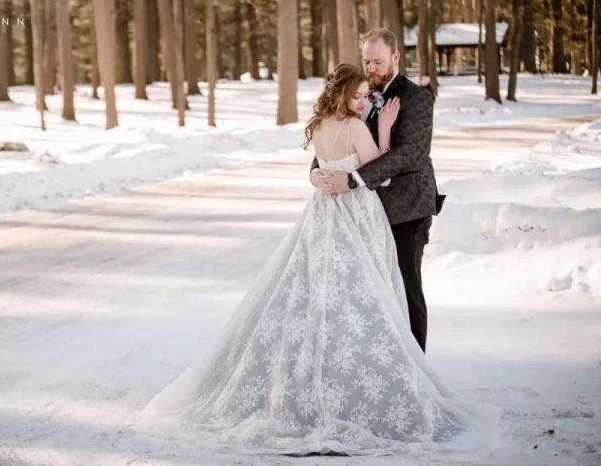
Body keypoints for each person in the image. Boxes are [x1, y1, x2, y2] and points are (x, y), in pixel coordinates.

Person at [141, 63, 477, 456]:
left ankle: (318, 373)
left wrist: (324, 173)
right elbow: (380, 175)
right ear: (341, 95)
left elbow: (321, 166)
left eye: (365, 94)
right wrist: (383, 130)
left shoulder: (318, 127)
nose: (364, 100)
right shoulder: (355, 127)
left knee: (319, 292)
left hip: (321, 214)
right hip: (355, 213)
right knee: (362, 294)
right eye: (357, 95)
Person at [311, 28, 444, 352]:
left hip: (407, 209)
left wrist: (353, 179)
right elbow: (334, 141)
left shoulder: (416, 98)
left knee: (405, 286)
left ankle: (417, 369)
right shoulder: (357, 93)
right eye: (366, 61)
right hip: (362, 212)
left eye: (378, 62)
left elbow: (408, 154)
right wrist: (316, 173)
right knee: (370, 292)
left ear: (396, 57)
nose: (370, 68)